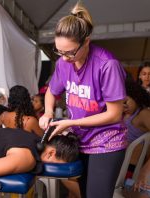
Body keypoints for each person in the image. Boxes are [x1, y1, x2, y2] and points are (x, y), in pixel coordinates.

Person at [39, 2, 127, 198]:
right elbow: (51, 92)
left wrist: (71, 122)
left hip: (106, 140)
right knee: (84, 193)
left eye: (70, 52)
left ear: (86, 41)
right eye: (59, 51)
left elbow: (114, 114)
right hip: (81, 139)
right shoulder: (63, 63)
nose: (65, 58)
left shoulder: (107, 65)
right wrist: (47, 112)